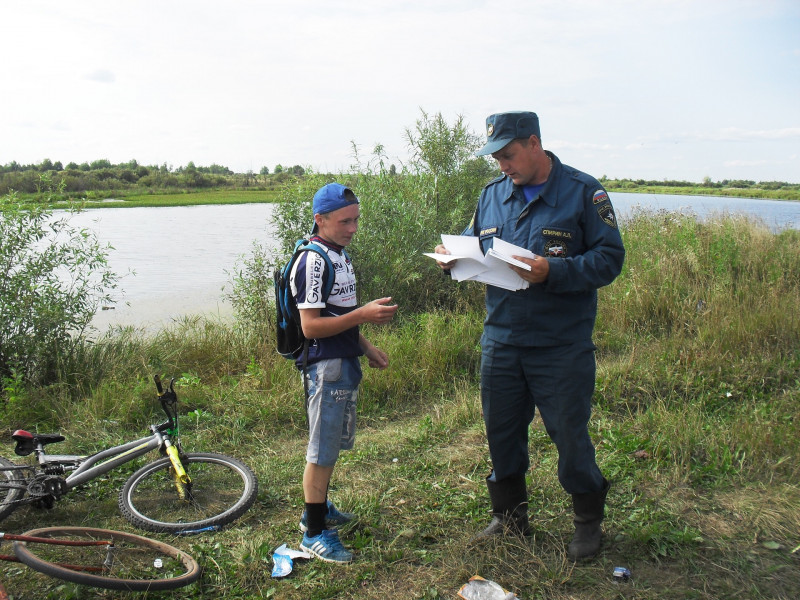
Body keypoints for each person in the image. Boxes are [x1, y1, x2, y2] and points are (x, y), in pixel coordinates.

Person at [434, 111, 625, 560]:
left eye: (508, 154)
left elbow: (610, 259)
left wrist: (552, 271)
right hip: (501, 339)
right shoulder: (493, 195)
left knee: (569, 435)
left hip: (561, 343)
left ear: (534, 143)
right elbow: (474, 242)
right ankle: (510, 516)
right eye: (496, 157)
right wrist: (450, 255)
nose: (502, 165)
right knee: (501, 432)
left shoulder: (582, 192)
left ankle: (586, 523)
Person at [290, 182, 398, 564]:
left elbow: (340, 317)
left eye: (356, 220)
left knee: (332, 445)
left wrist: (367, 348)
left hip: (345, 362)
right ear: (320, 220)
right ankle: (314, 532)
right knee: (320, 451)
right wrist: (364, 314)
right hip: (326, 369)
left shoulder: (339, 254)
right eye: (344, 221)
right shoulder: (314, 260)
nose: (353, 228)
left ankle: (316, 508)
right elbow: (311, 328)